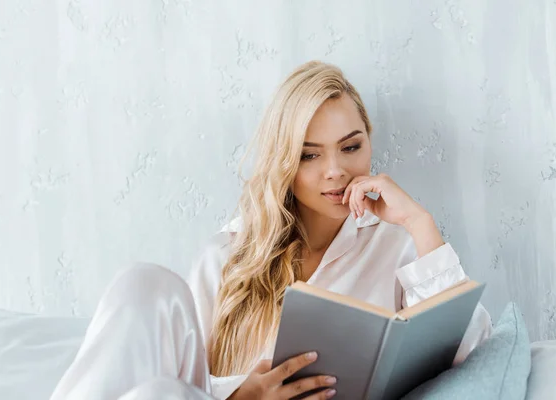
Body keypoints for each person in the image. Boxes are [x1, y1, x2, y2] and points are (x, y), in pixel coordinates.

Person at [50, 61, 492, 400]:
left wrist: (420, 223)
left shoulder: (399, 249)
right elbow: (185, 382)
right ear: (284, 161)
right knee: (144, 289)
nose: (336, 172)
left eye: (351, 147)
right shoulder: (227, 255)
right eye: (309, 155)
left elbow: (474, 358)